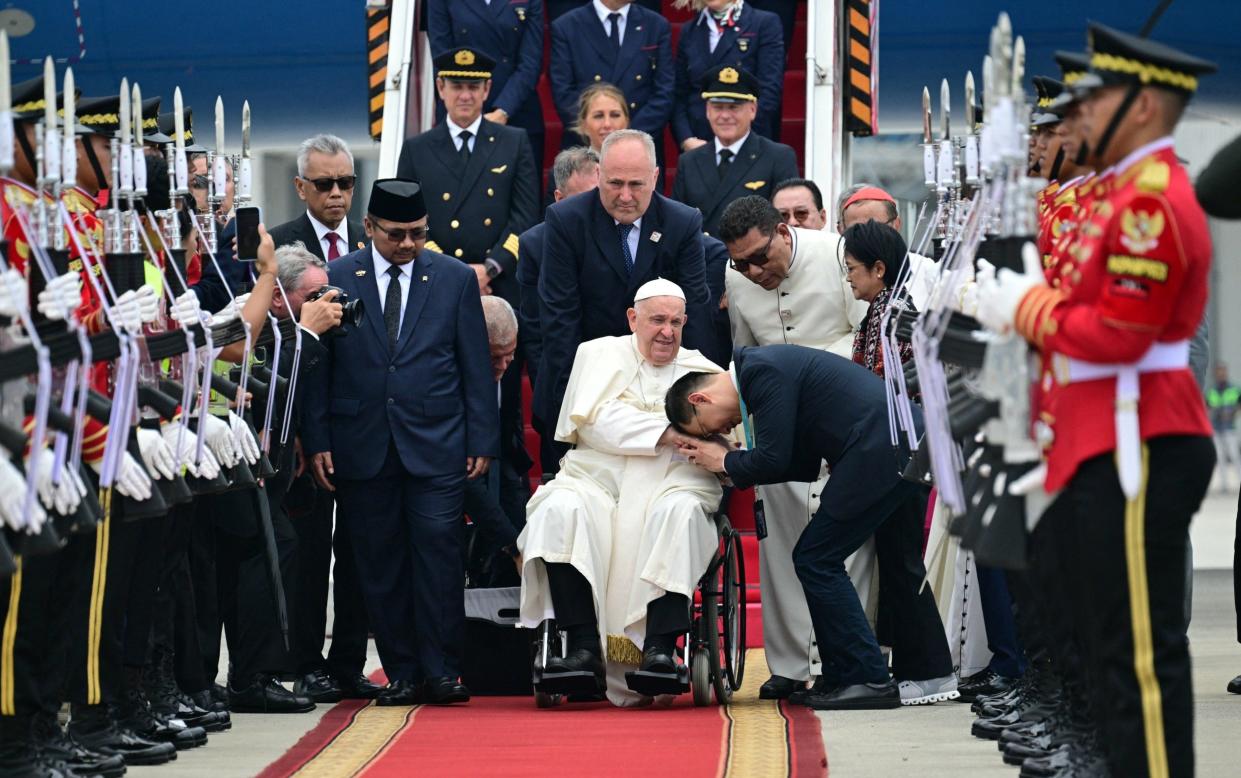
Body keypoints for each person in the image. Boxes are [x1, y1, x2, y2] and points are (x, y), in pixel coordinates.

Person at [976, 23, 1216, 776]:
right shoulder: (1115, 195)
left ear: (1142, 109)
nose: (1072, 124)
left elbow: (1114, 334)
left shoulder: (1145, 202)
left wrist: (1020, 303)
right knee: (1103, 631)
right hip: (1092, 426)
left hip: (1138, 430)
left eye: (1091, 105)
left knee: (1135, 651)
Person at [667, 345, 955, 709]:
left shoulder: (760, 371)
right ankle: (927, 674)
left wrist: (725, 458)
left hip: (881, 448)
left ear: (700, 398)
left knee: (815, 558)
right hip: (902, 442)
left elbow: (774, 457)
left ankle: (864, 677)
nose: (724, 430)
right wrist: (730, 466)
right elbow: (798, 463)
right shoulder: (762, 368)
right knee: (898, 560)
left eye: (708, 428)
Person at [302, 179, 498, 707]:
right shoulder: (338, 277)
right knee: (379, 562)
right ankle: (403, 672)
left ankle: (442, 671)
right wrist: (317, 438)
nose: (408, 244)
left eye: (417, 233)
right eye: (396, 234)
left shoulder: (454, 278)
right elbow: (321, 367)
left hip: (437, 442)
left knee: (438, 557)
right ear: (369, 228)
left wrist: (482, 435)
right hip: (361, 443)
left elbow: (474, 364)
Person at [519, 280, 726, 706]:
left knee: (680, 513)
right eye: (656, 320)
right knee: (559, 508)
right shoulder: (596, 354)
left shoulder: (704, 369)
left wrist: (687, 441)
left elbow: (722, 438)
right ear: (633, 318)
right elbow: (595, 422)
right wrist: (671, 430)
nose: (667, 331)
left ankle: (661, 650)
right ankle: (582, 647)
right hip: (598, 475)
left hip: (673, 478)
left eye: (675, 322)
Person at [714, 195, 871, 701]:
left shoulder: (834, 255)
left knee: (845, 549)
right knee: (778, 543)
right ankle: (787, 663)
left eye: (762, 257)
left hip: (841, 418)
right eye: (742, 263)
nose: (754, 271)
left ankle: (843, 660)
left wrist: (803, 368)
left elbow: (868, 337)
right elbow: (744, 352)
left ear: (784, 231)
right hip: (778, 428)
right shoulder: (736, 276)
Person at [536, 129, 712, 470]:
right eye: (615, 183)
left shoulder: (682, 222)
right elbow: (560, 320)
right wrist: (573, 402)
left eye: (637, 184)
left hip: (660, 383)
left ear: (656, 177)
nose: (626, 196)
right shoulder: (565, 220)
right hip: (587, 378)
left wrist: (695, 401)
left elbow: (696, 314)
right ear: (598, 174)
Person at [396, 46, 537, 308]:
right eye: (456, 85)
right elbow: (407, 218)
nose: (465, 95)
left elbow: (525, 217)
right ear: (440, 88)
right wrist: (452, 270)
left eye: (473, 86)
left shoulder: (513, 142)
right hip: (437, 278)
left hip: (499, 282)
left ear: (486, 90)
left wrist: (490, 269)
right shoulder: (417, 149)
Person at [519, 146, 601, 474]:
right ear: (558, 197)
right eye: (583, 198)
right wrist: (559, 396)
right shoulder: (535, 244)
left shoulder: (626, 240)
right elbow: (536, 334)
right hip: (560, 394)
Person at [427, 0, 546, 187]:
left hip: (517, 110)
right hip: (462, 115)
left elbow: (531, 63)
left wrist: (503, 111)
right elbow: (442, 58)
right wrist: (472, 114)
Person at [671, 66, 798, 237]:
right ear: (707, 111)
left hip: (754, 261)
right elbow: (678, 224)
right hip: (703, 260)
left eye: (733, 107)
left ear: (752, 110)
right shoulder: (689, 162)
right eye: (718, 107)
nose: (725, 115)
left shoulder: (778, 157)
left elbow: (786, 223)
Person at [549, 1, 673, 152]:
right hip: (586, 149)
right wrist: (599, 129)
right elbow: (563, 92)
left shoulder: (656, 25)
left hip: (640, 146)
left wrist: (629, 135)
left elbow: (664, 90)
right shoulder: (567, 26)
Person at [465, 296, 527, 587]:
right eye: (493, 357)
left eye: (510, 354)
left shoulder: (509, 350)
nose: (503, 365)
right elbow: (467, 484)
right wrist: (513, 545)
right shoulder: (449, 374)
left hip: (502, 456)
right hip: (458, 470)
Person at [671, 0, 785, 150]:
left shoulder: (764, 23)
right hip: (698, 146)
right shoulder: (690, 30)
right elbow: (679, 93)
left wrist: (736, 138)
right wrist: (686, 139)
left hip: (749, 146)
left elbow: (769, 90)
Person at [269, 134, 367, 262]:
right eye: (324, 184)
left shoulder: (372, 242)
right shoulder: (275, 244)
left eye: (345, 182)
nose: (336, 193)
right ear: (301, 187)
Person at [844, 220, 915, 378]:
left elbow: (877, 386)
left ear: (878, 269)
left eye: (851, 268)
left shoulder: (886, 313)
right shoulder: (893, 303)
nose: (848, 278)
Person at [541, 83, 627, 208]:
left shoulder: (646, 166)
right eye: (598, 116)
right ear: (583, 125)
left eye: (615, 115)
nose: (607, 124)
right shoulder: (563, 170)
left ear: (626, 121)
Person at [1208, 365, 1240, 493]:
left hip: (1229, 427)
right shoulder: (1212, 391)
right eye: (1219, 373)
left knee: (1234, 455)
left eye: (1223, 372)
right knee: (1220, 457)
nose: (1221, 375)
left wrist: (1234, 413)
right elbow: (1207, 406)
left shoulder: (1234, 389)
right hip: (1216, 427)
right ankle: (1224, 485)